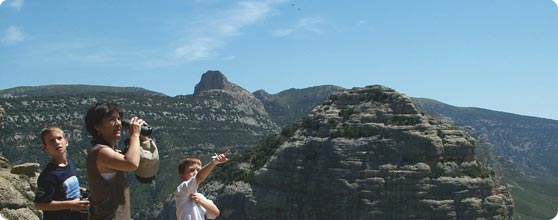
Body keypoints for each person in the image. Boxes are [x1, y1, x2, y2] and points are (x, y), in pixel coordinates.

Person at [84, 102, 149, 220]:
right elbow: (131, 163)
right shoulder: (100, 152)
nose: (118, 123)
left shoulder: (111, 151)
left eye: (119, 119)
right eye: (111, 119)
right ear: (97, 126)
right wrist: (134, 135)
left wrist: (142, 139)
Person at [34, 125, 90, 220]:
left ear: (66, 141)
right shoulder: (49, 175)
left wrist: (82, 190)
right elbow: (40, 204)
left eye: (59, 138)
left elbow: (63, 186)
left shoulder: (69, 164)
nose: (57, 142)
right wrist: (72, 204)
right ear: (45, 148)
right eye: (51, 141)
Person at [175, 149, 231, 220]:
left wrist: (200, 201)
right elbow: (199, 177)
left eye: (198, 170)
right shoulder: (182, 189)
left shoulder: (199, 196)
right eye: (191, 170)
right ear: (181, 176)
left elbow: (215, 212)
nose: (195, 172)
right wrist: (214, 162)